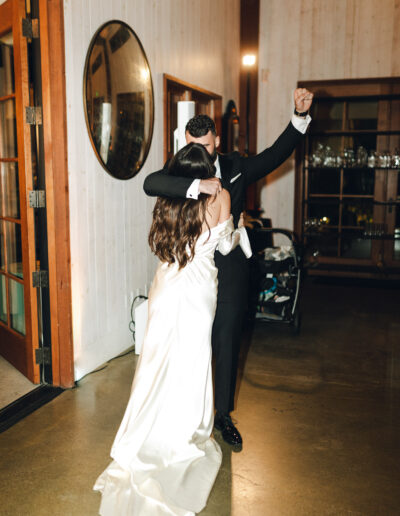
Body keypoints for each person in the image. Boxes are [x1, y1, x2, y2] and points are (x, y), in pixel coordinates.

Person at [143, 88, 314, 449]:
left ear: (216, 141)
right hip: (192, 269)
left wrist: (298, 118)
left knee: (226, 335)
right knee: (191, 339)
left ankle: (222, 414)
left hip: (230, 263)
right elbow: (150, 183)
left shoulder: (236, 167)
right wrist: (197, 183)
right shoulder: (182, 167)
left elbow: (274, 155)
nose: (197, 153)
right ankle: (187, 408)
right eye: (191, 146)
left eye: (204, 147)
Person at [94, 143, 251, 516]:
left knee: (156, 363)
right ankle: (183, 436)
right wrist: (239, 230)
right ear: (207, 168)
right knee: (191, 363)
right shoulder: (221, 195)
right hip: (199, 291)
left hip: (166, 286)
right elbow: (225, 245)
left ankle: (144, 434)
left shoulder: (169, 196)